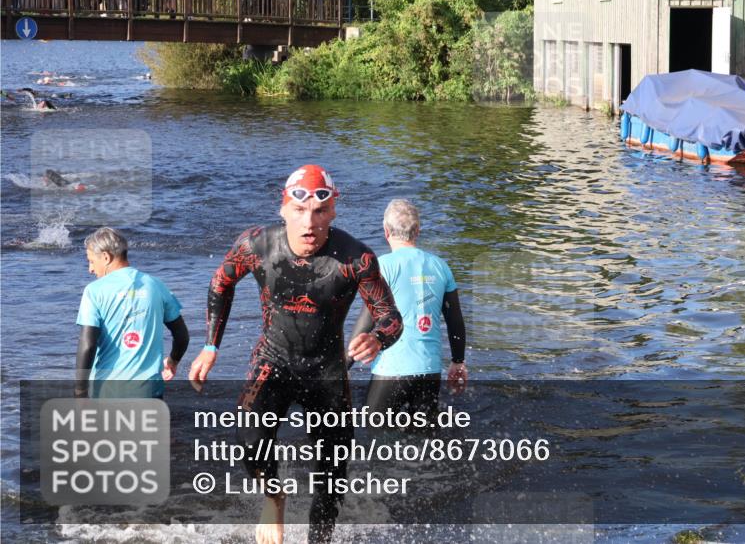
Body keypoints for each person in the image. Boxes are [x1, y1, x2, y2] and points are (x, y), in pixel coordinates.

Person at [188, 164, 403, 544]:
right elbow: (220, 284)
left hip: (327, 373)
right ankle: (275, 498)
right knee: (249, 439)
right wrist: (209, 347)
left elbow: (390, 318)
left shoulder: (357, 258)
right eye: (300, 211)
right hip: (273, 359)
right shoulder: (256, 245)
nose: (310, 223)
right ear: (283, 209)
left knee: (331, 480)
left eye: (320, 212)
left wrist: (378, 340)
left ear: (333, 211)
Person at [350, 199, 467, 418]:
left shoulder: (382, 266)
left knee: (377, 434)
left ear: (386, 231)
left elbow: (365, 323)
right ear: (418, 231)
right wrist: (458, 362)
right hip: (429, 370)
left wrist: (341, 369)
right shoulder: (440, 266)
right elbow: (455, 321)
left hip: (391, 370)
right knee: (425, 440)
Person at [75, 227, 189, 399]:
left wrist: (80, 392)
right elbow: (181, 336)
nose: (90, 269)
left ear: (106, 257)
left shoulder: (94, 291)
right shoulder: (156, 286)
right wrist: (173, 361)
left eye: (91, 261)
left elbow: (88, 344)